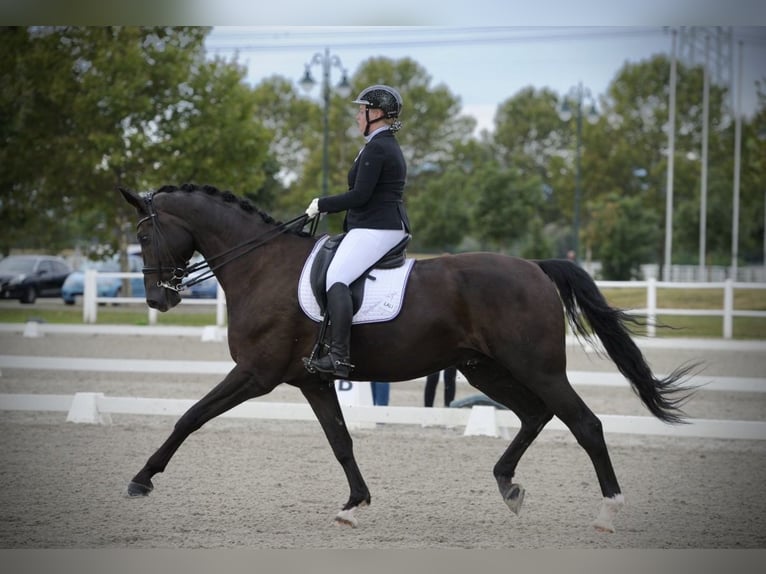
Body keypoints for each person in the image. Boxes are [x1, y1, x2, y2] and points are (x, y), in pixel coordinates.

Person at [304, 84, 410, 378]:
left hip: (378, 226)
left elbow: (360, 196)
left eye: (360, 110)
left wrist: (322, 204)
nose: (356, 116)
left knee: (336, 278)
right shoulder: (379, 144)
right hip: (377, 224)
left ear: (374, 113)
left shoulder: (378, 147)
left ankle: (339, 356)